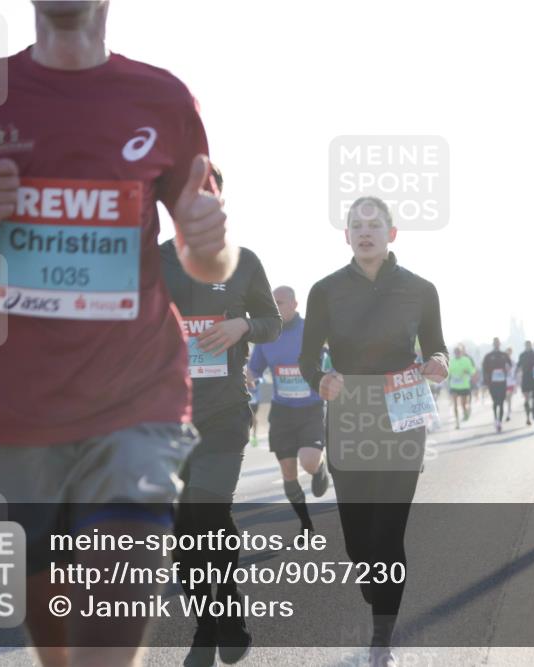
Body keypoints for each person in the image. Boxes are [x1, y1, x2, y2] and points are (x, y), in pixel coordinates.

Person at [0, 3, 235, 665]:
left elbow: (207, 256)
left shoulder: (162, 98)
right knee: (60, 643)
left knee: (109, 631)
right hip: (9, 417)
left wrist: (212, 243)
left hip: (137, 401)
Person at [299, 196, 448, 667]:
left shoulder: (421, 289)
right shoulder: (324, 291)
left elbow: (437, 346)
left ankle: (382, 639)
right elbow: (307, 359)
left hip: (402, 418)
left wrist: (439, 363)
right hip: (349, 418)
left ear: (392, 234)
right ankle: (372, 580)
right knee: (359, 542)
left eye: (374, 225)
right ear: (346, 236)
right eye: (356, 225)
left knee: (388, 535)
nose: (365, 232)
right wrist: (319, 379)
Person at [160, 224, 282, 666]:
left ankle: (227, 609)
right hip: (165, 416)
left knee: (208, 508)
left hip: (225, 410)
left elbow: (273, 322)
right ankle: (206, 625)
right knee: (183, 526)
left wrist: (243, 325)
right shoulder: (150, 263)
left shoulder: (243, 261)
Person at [247, 285, 330, 535]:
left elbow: (334, 360)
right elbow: (255, 371)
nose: (275, 307)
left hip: (311, 408)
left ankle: (320, 468)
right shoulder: (267, 336)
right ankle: (305, 523)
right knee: (288, 470)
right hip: (282, 411)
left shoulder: (311, 332)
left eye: (280, 302)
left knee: (308, 461)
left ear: (295, 304)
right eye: (272, 303)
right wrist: (247, 378)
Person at [481, 337, 513, 433]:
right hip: (492, 383)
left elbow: (510, 365)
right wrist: (486, 382)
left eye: (498, 343)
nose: (496, 344)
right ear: (493, 344)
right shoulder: (488, 356)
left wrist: (507, 369)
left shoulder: (504, 355)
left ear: (500, 344)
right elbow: (484, 369)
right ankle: (496, 418)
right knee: (495, 402)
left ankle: (499, 422)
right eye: (495, 343)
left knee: (502, 402)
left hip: (502, 382)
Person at [447, 345, 475, 429]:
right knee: (455, 405)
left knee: (463, 404)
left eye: (458, 352)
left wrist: (468, 371)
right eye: (456, 352)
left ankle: (465, 412)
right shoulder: (451, 361)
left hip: (464, 385)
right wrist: (447, 382)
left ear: (461, 352)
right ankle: (457, 422)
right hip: (454, 386)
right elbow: (448, 374)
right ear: (454, 353)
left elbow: (472, 371)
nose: (457, 353)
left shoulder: (466, 360)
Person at [517, 340, 534, 427]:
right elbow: (518, 366)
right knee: (526, 399)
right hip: (525, 378)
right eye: (527, 345)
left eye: (529, 345)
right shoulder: (522, 355)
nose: (528, 346)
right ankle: (528, 417)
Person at [504, 346, 516, 419]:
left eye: (509, 353)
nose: (508, 354)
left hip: (511, 382)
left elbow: (514, 373)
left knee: (509, 398)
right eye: (507, 353)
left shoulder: (513, 362)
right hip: (504, 382)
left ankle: (509, 412)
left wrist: (515, 384)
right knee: (506, 398)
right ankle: (509, 409)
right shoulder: (502, 361)